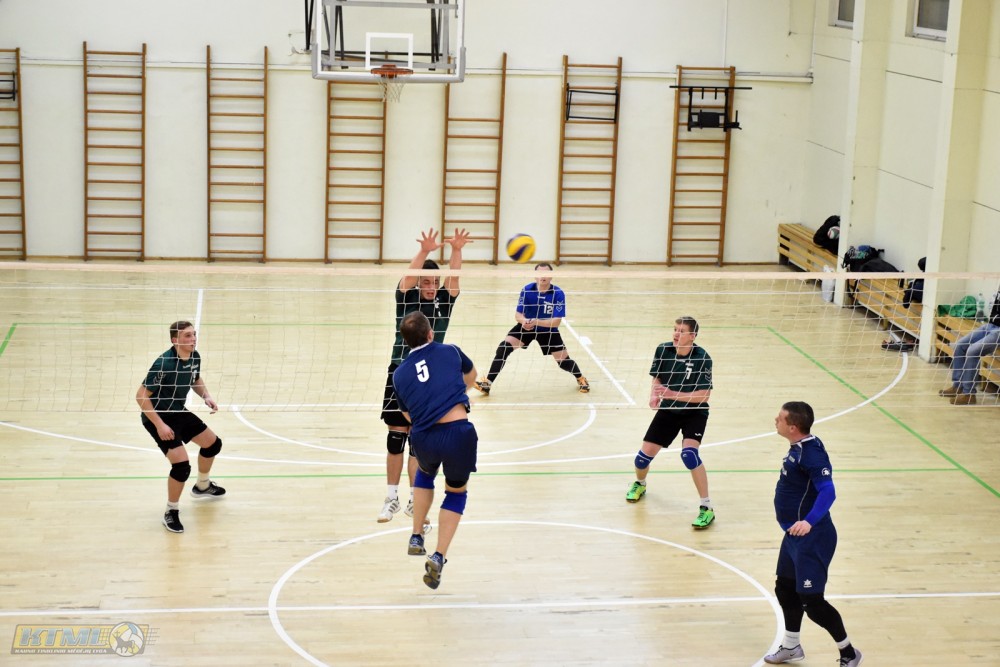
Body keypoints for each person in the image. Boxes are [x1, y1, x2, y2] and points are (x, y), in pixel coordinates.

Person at [379, 227, 470, 526]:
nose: (431, 287)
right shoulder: (407, 299)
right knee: (396, 438)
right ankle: (390, 497)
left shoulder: (444, 299)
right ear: (419, 283)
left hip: (431, 379)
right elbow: (408, 277)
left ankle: (412, 498)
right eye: (426, 282)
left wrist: (456, 250)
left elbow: (454, 277)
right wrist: (424, 251)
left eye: (434, 282)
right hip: (401, 372)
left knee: (418, 441)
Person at [765, 401, 862, 666]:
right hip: (793, 536)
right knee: (785, 589)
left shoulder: (811, 455)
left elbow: (828, 491)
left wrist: (809, 521)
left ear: (793, 427)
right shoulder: (798, 447)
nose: (776, 420)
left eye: (780, 418)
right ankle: (791, 647)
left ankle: (849, 653)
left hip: (813, 538)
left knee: (812, 602)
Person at [392, 311, 478, 589]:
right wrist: (453, 396)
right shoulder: (450, 351)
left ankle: (416, 534)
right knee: (456, 492)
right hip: (458, 434)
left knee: (425, 475)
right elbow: (472, 376)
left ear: (405, 341)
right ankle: (439, 556)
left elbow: (408, 415)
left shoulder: (399, 374)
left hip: (424, 437)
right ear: (431, 334)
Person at [624, 316, 715, 529]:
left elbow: (704, 396)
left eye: (681, 331)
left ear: (692, 336)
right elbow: (657, 377)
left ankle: (707, 507)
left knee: (689, 455)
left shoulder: (703, 358)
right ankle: (640, 483)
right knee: (641, 460)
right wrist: (654, 394)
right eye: (675, 329)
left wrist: (672, 394)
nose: (676, 334)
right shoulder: (663, 350)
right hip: (668, 411)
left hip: (694, 412)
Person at [136, 321, 226, 534]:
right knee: (181, 466)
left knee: (213, 444)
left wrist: (206, 396)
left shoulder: (194, 356)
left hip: (177, 410)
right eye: (187, 335)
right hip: (157, 416)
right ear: (175, 340)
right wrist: (160, 425)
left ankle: (202, 486)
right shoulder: (164, 364)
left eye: (194, 334)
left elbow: (195, 378)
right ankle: (171, 511)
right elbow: (141, 396)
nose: (193, 339)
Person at [474, 262, 589, 396]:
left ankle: (581, 378)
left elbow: (556, 322)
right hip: (527, 328)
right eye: (539, 273)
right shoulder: (527, 290)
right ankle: (487, 384)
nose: (542, 276)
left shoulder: (558, 293)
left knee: (563, 362)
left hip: (548, 331)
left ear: (552, 276)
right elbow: (518, 315)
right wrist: (524, 321)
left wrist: (536, 321)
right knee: (503, 348)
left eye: (546, 273)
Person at [939, 286, 999, 405]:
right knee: (961, 345)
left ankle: (969, 394)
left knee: (972, 351)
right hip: (991, 325)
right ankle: (958, 386)